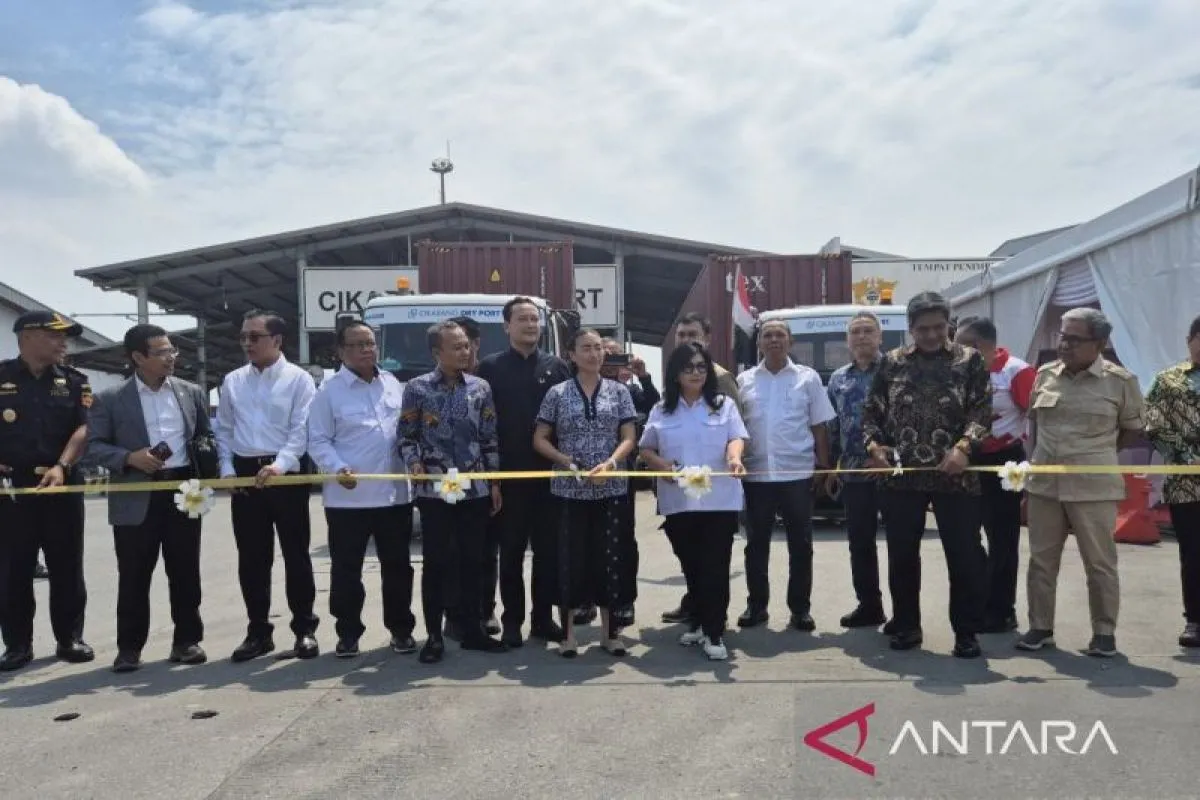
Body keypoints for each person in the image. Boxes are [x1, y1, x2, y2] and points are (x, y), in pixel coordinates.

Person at [863, 291, 991, 658]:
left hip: (956, 475)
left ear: (949, 324)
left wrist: (964, 447)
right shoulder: (891, 363)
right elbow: (871, 413)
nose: (932, 335)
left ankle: (966, 632)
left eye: (938, 327)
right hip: (901, 477)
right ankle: (907, 625)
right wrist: (874, 448)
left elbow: (982, 412)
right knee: (902, 556)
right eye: (923, 329)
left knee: (964, 556)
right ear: (910, 328)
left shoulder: (970, 361)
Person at [1018, 307, 1144, 657]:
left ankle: (1104, 632)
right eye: (1063, 336)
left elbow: (1132, 430)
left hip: (1093, 486)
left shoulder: (1120, 382)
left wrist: (1097, 456)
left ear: (1099, 344)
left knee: (1099, 562)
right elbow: (1035, 426)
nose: (1065, 345)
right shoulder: (1045, 375)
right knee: (1041, 561)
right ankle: (1040, 627)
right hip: (1045, 486)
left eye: (1074, 339)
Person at [85, 324, 209, 672]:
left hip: (183, 491)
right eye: (162, 352)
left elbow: (204, 436)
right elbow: (93, 447)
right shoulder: (111, 398)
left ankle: (187, 641)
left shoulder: (190, 393)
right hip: (136, 493)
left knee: (186, 571)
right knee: (134, 575)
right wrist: (128, 458)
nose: (171, 357)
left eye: (172, 350)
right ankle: (129, 648)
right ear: (138, 357)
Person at [215, 309, 320, 662]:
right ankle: (258, 632)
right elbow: (224, 429)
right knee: (252, 558)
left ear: (276, 340)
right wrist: (227, 469)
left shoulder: (299, 380)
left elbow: (301, 429)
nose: (247, 343)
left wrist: (280, 465)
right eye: (243, 337)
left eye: (255, 337)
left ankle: (304, 630)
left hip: (286, 473)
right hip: (246, 474)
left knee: (296, 555)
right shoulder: (233, 381)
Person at [308, 320, 417, 658]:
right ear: (341, 351)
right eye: (357, 344)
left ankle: (401, 630)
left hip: (394, 496)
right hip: (348, 500)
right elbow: (317, 440)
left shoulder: (393, 385)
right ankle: (348, 633)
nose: (366, 349)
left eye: (370, 343)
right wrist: (337, 467)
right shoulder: (328, 392)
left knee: (398, 567)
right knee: (346, 570)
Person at [399, 320, 507, 663]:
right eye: (457, 347)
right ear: (437, 352)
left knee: (474, 561)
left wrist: (494, 482)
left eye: (467, 345)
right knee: (437, 562)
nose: (466, 351)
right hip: (435, 491)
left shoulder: (480, 387)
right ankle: (434, 635)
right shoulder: (417, 388)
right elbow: (406, 436)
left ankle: (473, 629)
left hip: (474, 489)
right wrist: (414, 464)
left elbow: (489, 437)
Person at [639, 343, 748, 660]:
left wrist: (734, 458)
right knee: (692, 566)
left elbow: (736, 438)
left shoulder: (723, 405)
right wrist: (661, 466)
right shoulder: (662, 409)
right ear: (676, 374)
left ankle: (715, 632)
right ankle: (700, 622)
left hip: (719, 500)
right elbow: (646, 449)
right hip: (679, 501)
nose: (696, 373)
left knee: (715, 566)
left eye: (702, 367)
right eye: (689, 368)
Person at [533, 328, 638, 657]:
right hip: (569, 490)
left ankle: (610, 633)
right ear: (572, 355)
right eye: (586, 348)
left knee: (609, 558)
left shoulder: (619, 392)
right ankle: (568, 635)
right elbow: (540, 438)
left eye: (598, 348)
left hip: (610, 487)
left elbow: (629, 436)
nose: (594, 354)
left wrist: (612, 462)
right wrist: (564, 460)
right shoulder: (557, 393)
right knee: (569, 559)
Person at [0, 311, 93, 672]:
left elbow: (84, 429)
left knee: (67, 565)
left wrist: (62, 465)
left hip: (61, 484)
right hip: (11, 489)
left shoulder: (74, 382)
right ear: (27, 337)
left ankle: (69, 639)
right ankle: (17, 645)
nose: (63, 342)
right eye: (55, 335)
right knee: (13, 569)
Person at [477, 297, 570, 648]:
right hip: (509, 478)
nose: (531, 325)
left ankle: (542, 619)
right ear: (506, 326)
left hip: (550, 477)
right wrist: (492, 476)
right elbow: (482, 425)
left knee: (548, 552)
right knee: (511, 553)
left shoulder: (557, 367)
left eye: (535, 319)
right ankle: (512, 621)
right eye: (523, 319)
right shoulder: (489, 368)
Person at [736, 318, 835, 631]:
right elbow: (736, 427)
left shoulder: (808, 378)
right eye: (768, 335)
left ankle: (800, 609)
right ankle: (757, 606)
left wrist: (823, 467)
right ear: (759, 343)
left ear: (791, 342)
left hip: (798, 474)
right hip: (757, 476)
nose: (774, 340)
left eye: (780, 335)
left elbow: (819, 426)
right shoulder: (744, 380)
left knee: (801, 545)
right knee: (756, 545)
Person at [954, 316, 1036, 633]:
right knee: (966, 537)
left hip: (1005, 462)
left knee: (1002, 539)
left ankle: (1002, 610)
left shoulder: (1016, 370)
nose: (954, 350)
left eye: (959, 344)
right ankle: (978, 601)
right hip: (967, 459)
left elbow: (1037, 417)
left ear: (978, 345)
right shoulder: (960, 370)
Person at [660, 312, 742, 625]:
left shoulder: (720, 379)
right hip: (680, 491)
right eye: (681, 335)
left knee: (713, 559)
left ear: (706, 338)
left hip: (715, 488)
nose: (685, 340)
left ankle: (712, 620)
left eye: (692, 334)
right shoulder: (670, 389)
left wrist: (735, 458)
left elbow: (735, 431)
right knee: (690, 555)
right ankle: (696, 606)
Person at [825, 310, 890, 630]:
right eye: (856, 332)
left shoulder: (895, 372)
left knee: (902, 545)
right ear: (847, 340)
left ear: (880, 337)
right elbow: (834, 426)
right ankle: (869, 605)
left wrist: (890, 456)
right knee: (860, 543)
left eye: (868, 330)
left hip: (892, 472)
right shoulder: (838, 379)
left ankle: (906, 614)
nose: (862, 336)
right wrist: (831, 467)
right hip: (853, 474)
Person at [1144, 314, 1200, 649]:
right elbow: (1153, 424)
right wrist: (1188, 456)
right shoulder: (1167, 381)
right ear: (1189, 340)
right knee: (1193, 553)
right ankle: (1195, 620)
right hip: (1186, 483)